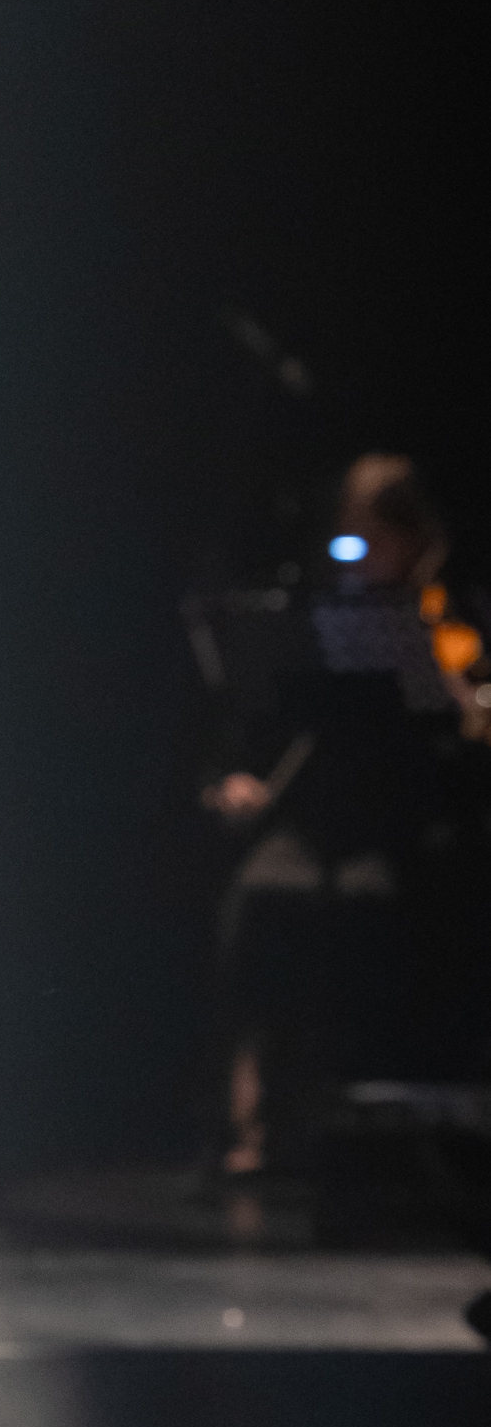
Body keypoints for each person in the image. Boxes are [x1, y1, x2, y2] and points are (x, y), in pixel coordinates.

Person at [200, 453, 491, 1175]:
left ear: (411, 536)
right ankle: (253, 1122)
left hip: (412, 830)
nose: (362, 554)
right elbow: (263, 723)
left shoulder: (450, 616)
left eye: (377, 537)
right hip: (317, 821)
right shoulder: (319, 626)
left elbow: (458, 727)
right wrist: (238, 777)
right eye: (351, 535)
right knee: (257, 905)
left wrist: (458, 692)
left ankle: (370, 1131)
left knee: (375, 924)